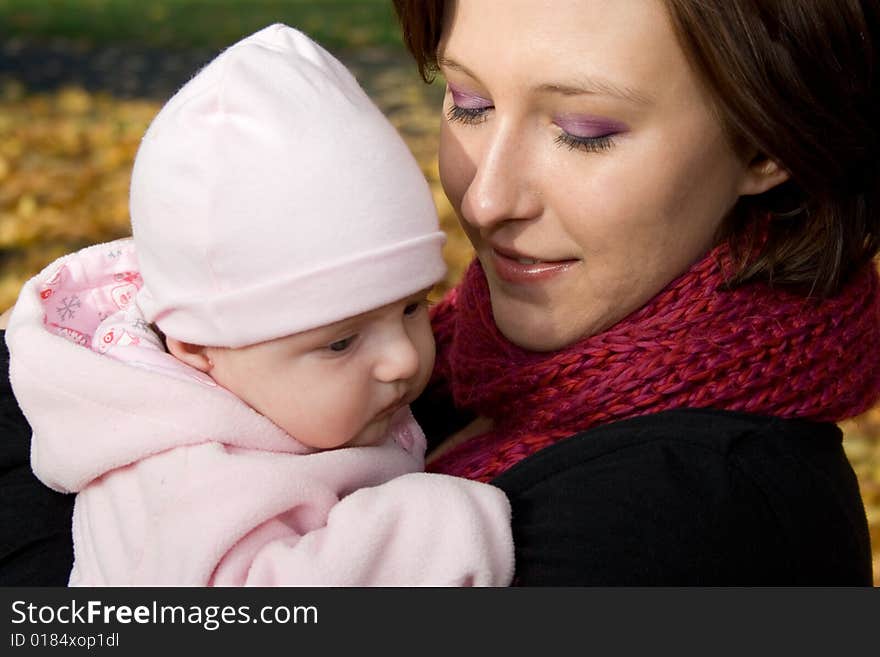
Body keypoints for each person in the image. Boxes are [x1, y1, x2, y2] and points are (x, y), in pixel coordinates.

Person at [1, 0, 878, 586]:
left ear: (768, 142)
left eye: (584, 131)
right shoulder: (458, 349)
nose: (486, 199)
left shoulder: (705, 522)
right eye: (467, 102)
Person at [1, 24, 513, 586]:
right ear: (198, 348)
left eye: (413, 307)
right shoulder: (193, 485)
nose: (405, 360)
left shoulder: (268, 390)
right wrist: (444, 523)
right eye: (340, 341)